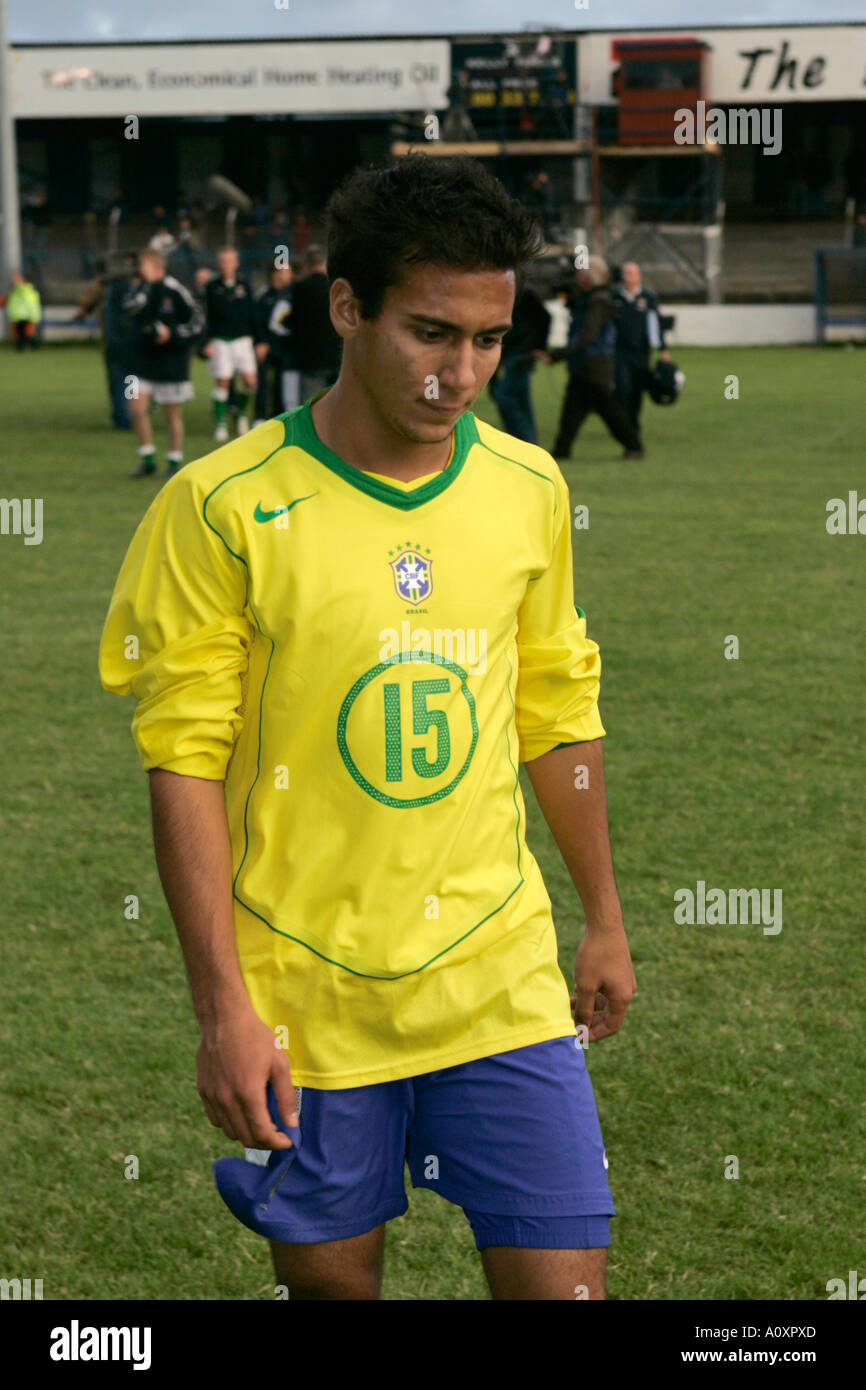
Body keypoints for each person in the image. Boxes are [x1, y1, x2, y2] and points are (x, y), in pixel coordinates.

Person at [98, 154, 635, 1302]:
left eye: (488, 341)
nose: (461, 374)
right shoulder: (220, 507)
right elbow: (182, 759)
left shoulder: (529, 487)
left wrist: (601, 917)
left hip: (497, 979)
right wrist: (223, 1011)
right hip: (308, 998)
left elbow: (556, 713)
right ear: (347, 305)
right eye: (431, 333)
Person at [548, 256, 644, 460]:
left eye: (581, 275)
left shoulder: (598, 302)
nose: (578, 278)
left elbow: (586, 336)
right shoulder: (593, 298)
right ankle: (561, 450)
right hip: (588, 365)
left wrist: (557, 355)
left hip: (594, 366)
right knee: (575, 411)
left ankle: (634, 445)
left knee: (607, 410)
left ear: (589, 278)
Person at [122, 247, 203, 478]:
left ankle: (174, 461)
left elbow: (197, 322)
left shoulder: (176, 290)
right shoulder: (139, 290)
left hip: (171, 363)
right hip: (141, 361)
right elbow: (126, 309)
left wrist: (171, 333)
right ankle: (147, 459)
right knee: (135, 407)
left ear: (157, 267)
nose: (140, 269)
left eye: (144, 265)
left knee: (172, 414)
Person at [72, 252, 138, 429]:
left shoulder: (104, 285)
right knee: (131, 379)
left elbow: (84, 305)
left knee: (116, 379)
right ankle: (132, 415)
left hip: (110, 340)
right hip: (132, 342)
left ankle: (120, 416)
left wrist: (82, 312)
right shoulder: (138, 286)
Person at [203, 246, 258, 441]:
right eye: (222, 261)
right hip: (220, 341)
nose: (225, 265)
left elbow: (253, 314)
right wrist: (205, 342)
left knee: (250, 382)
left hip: (243, 340)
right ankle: (221, 423)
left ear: (236, 263)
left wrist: (259, 341)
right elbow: (206, 317)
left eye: (229, 261)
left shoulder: (245, 285)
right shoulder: (211, 287)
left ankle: (241, 414)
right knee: (223, 382)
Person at [488, 282, 551, 443]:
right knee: (521, 399)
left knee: (505, 397)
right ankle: (529, 443)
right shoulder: (517, 289)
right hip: (513, 351)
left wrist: (536, 347)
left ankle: (520, 441)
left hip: (520, 353)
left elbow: (544, 318)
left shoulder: (523, 292)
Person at [612, 261, 670, 435]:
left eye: (631, 273)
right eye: (625, 273)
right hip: (619, 351)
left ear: (639, 276)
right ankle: (623, 423)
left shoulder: (647, 297)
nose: (627, 277)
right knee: (622, 388)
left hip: (641, 352)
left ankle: (633, 423)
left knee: (637, 389)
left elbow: (655, 324)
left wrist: (662, 348)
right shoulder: (615, 296)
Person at [287, 244, 342, 402]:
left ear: (307, 265)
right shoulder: (335, 288)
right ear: (325, 263)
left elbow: (294, 324)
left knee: (311, 408)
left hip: (310, 358)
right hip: (336, 355)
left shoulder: (299, 289)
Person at [253, 261, 293, 424]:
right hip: (267, 345)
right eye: (281, 272)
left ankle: (279, 416)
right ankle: (260, 416)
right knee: (262, 381)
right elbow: (256, 320)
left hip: (287, 347)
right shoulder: (264, 295)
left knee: (282, 383)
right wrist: (261, 342)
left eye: (287, 272)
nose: (284, 276)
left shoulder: (294, 294)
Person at [1, 272, 42, 350]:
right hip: (22, 315)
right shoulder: (26, 290)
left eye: (19, 278)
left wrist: (16, 280)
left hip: (24, 315)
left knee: (24, 333)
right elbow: (8, 299)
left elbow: (18, 288)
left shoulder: (24, 289)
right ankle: (24, 346)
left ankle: (27, 345)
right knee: (21, 333)